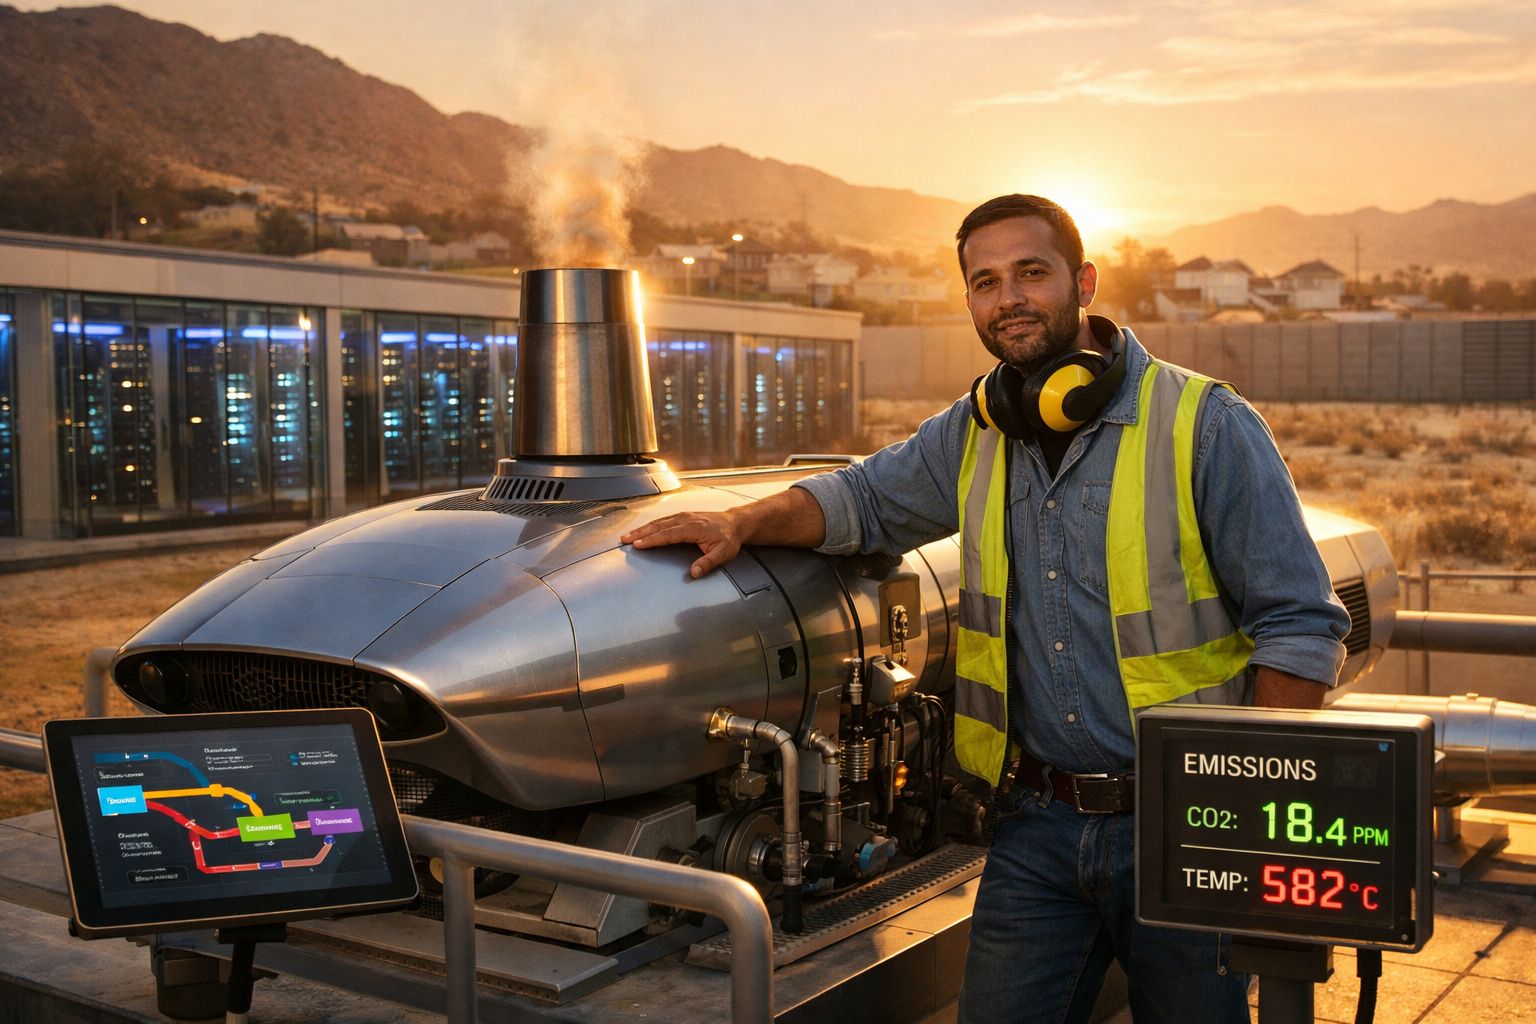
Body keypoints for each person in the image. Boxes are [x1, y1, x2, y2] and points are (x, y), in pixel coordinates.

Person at [621, 194, 1349, 1023]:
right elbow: (858, 497)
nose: (1008, 299)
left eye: (1031, 273)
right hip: (1035, 828)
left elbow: (1301, 627)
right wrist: (742, 520)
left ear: (1085, 281)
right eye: (985, 281)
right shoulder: (978, 429)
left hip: (1183, 826)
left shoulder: (1206, 425)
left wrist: (1235, 822)